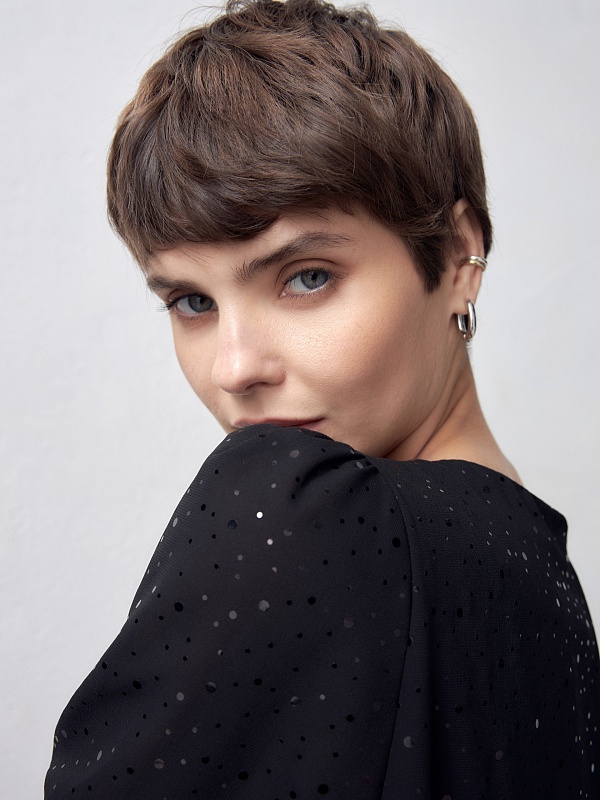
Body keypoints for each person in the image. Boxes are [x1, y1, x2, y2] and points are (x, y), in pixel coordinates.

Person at [44, 0, 600, 797]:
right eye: (191, 302)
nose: (235, 367)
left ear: (458, 256)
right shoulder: (547, 579)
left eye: (306, 277)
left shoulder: (307, 513)